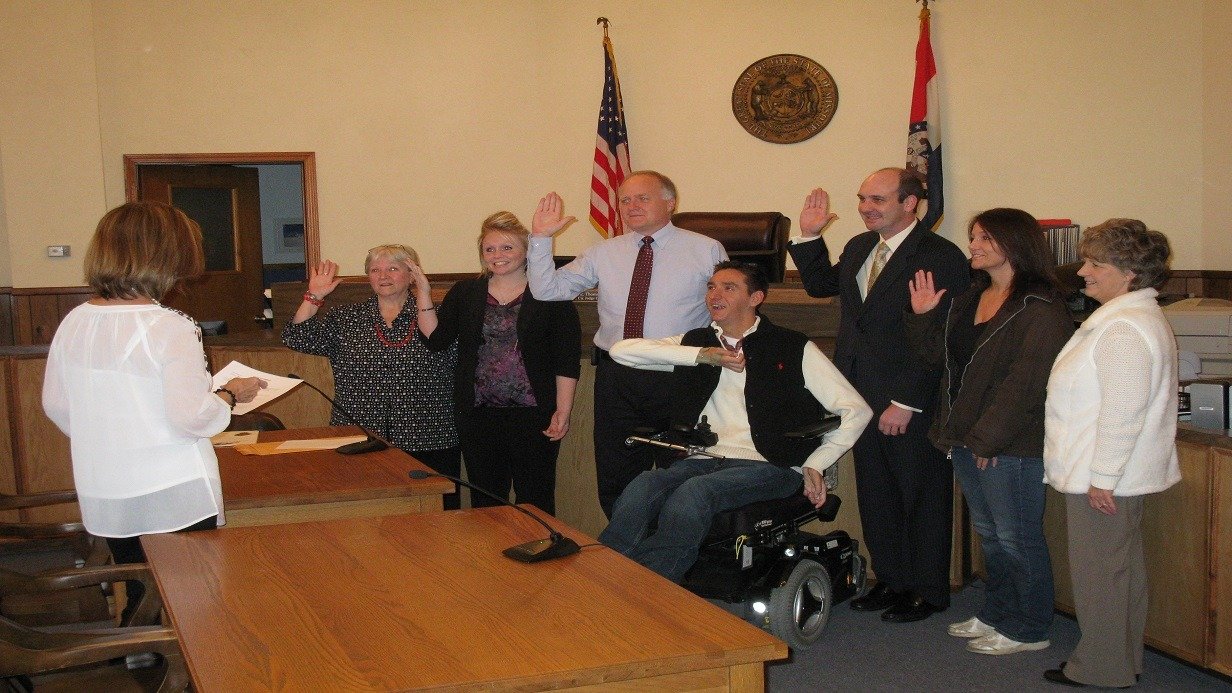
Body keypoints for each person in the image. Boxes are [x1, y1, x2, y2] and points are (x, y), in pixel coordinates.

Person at [42, 201, 266, 612]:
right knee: (191, 603)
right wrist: (229, 395)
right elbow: (191, 418)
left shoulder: (75, 319)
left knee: (141, 590)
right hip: (172, 493)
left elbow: (56, 404)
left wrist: (117, 435)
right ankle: (183, 672)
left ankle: (142, 656)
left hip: (107, 487)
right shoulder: (169, 326)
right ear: (170, 253)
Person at [599, 261, 871, 582]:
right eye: (711, 286)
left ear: (755, 297)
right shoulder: (696, 342)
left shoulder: (792, 345)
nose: (715, 294)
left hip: (770, 464)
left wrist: (817, 461)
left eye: (729, 287)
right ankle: (605, 573)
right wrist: (701, 355)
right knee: (644, 485)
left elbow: (856, 410)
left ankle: (649, 584)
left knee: (694, 494)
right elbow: (620, 351)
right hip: (705, 460)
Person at [787, 167, 970, 623]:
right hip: (860, 395)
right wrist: (809, 237)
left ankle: (927, 589)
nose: (866, 207)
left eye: (878, 200)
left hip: (909, 398)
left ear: (910, 203)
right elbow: (821, 286)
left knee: (919, 493)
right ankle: (891, 579)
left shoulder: (940, 255)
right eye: (863, 198)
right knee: (877, 493)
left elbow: (941, 336)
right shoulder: (859, 246)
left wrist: (907, 400)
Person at [905, 208, 1074, 655]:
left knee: (1017, 537)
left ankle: (1029, 628)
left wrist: (988, 438)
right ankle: (998, 613)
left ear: (1014, 244)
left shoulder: (1041, 305)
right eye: (973, 237)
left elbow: (1028, 382)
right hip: (966, 436)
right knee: (991, 536)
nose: (973, 246)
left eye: (983, 238)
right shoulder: (969, 295)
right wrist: (923, 316)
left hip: (1010, 443)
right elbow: (936, 363)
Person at [528, 171, 728, 517]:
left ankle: (670, 557)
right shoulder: (603, 252)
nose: (631, 206)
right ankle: (625, 556)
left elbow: (729, 307)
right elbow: (547, 290)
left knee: (678, 476)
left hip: (678, 377)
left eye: (643, 198)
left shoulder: (704, 249)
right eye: (625, 200)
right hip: (616, 378)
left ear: (670, 203)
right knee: (616, 474)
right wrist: (541, 239)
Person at [1042, 219, 1179, 688]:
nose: (1083, 271)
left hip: (1104, 478)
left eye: (1096, 263)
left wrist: (1103, 477)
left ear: (1130, 274)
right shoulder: (1129, 318)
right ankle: (1122, 661)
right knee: (1119, 573)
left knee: (1101, 578)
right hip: (1111, 475)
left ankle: (1101, 669)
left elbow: (1124, 412)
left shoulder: (1123, 328)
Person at [421, 212, 580, 515]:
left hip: (535, 415)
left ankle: (539, 555)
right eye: (489, 249)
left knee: (535, 497)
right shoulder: (466, 292)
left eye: (507, 248)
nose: (498, 256)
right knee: (485, 500)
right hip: (478, 415)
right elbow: (437, 340)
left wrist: (563, 410)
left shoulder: (551, 293)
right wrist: (424, 295)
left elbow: (566, 359)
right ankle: (491, 560)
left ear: (526, 251)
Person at [282, 244, 461, 509]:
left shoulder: (438, 316)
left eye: (392, 268)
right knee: (364, 520)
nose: (383, 276)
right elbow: (297, 337)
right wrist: (313, 296)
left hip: (429, 434)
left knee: (434, 519)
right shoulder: (346, 318)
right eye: (375, 270)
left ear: (412, 275)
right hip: (359, 437)